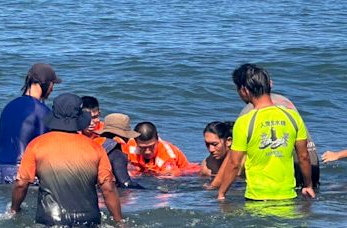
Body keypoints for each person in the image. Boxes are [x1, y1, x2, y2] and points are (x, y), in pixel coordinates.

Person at [10, 93, 123, 226]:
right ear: (80, 118)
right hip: (88, 219)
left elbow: (21, 184)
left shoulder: (36, 145)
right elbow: (108, 188)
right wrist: (119, 221)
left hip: (50, 219)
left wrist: (14, 210)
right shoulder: (95, 148)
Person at [217, 63, 315, 200]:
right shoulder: (293, 116)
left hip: (256, 197)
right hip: (287, 196)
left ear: (244, 90)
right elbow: (304, 156)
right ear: (269, 85)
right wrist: (308, 185)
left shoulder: (244, 122)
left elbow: (234, 164)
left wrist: (221, 193)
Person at [0, 63, 61, 184]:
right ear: (44, 83)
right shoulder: (41, 110)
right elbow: (43, 149)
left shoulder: (9, 106)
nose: (52, 89)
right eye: (52, 84)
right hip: (23, 170)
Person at [126, 121, 200, 176]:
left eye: (151, 146)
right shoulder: (129, 145)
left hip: (184, 172)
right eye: (143, 147)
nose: (147, 152)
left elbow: (167, 184)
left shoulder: (167, 155)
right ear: (135, 141)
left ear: (157, 139)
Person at [94, 113, 145, 189]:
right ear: (124, 136)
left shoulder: (94, 143)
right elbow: (124, 183)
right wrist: (150, 191)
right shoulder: (117, 154)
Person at [201, 121, 244, 189]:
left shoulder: (243, 162)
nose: (211, 149)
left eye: (215, 144)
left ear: (228, 141)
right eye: (207, 144)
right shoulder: (207, 165)